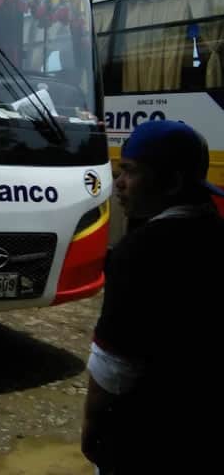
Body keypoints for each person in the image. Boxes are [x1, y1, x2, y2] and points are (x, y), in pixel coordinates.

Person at [81, 119, 224, 474]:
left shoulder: (141, 252)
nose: (118, 185)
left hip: (147, 439)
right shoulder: (214, 231)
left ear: (172, 183)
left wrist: (91, 428)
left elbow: (113, 366)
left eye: (129, 172)